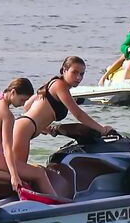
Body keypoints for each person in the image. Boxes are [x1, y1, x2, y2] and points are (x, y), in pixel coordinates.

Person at [13, 56, 113, 195]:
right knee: (18, 171)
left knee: (18, 169)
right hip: (24, 129)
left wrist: (41, 125)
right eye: (74, 72)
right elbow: (78, 114)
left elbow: (27, 105)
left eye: (82, 74)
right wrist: (102, 129)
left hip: (25, 127)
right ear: (64, 70)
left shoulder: (52, 84)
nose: (78, 77)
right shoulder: (60, 85)